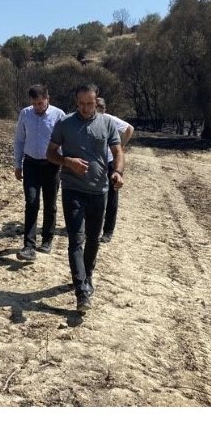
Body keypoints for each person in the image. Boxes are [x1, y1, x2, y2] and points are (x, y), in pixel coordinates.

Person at [46, 84, 124, 313]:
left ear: (96, 100)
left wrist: (117, 172)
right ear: (76, 101)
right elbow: (50, 153)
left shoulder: (107, 123)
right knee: (75, 239)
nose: (85, 108)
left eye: (90, 103)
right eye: (81, 103)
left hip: (99, 191)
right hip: (72, 189)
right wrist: (68, 162)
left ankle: (87, 275)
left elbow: (118, 152)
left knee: (93, 239)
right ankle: (81, 290)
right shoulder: (65, 123)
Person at [13, 84, 65, 261]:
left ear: (47, 99)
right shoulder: (25, 114)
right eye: (34, 104)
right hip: (30, 164)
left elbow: (65, 142)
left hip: (51, 165)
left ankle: (47, 239)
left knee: (50, 204)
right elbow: (19, 139)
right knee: (32, 202)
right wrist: (17, 164)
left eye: (41, 103)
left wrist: (65, 164)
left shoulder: (59, 115)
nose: (38, 107)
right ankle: (29, 245)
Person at [95, 97, 134, 244]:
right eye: (96, 106)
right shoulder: (86, 119)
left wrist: (121, 146)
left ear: (105, 108)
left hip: (110, 162)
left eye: (101, 107)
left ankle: (108, 231)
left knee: (112, 197)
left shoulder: (109, 120)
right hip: (94, 163)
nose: (98, 109)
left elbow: (129, 129)